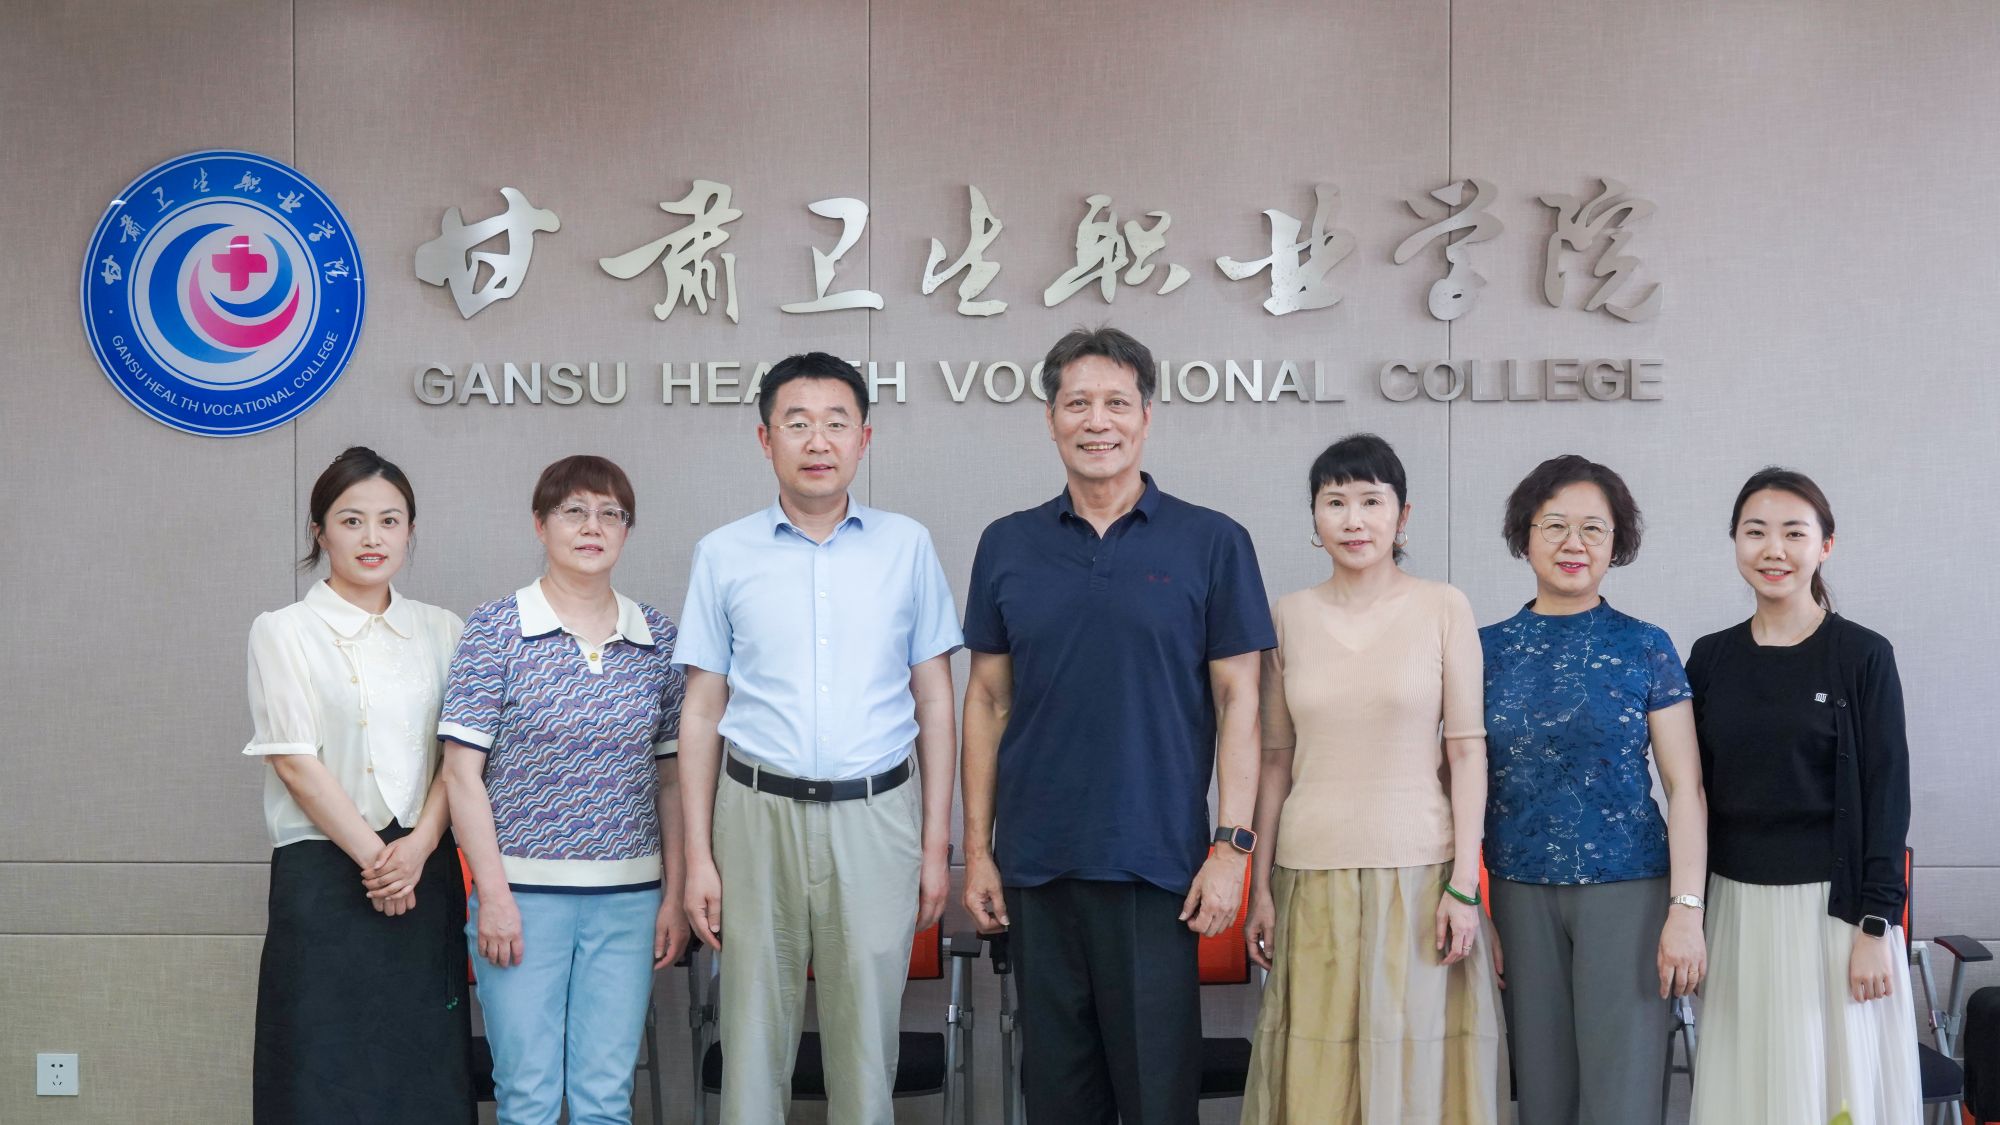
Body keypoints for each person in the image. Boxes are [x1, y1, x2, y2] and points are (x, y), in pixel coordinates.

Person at [961, 326, 1273, 1125]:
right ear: (1050, 418)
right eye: (1077, 403)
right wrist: (980, 849)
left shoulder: (1212, 541)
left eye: (1116, 403)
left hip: (1157, 865)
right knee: (1057, 1100)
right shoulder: (1007, 543)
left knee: (1156, 1096)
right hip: (1036, 865)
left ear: (1146, 416)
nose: (1096, 421)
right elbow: (987, 700)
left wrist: (1231, 849)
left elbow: (1241, 700)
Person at [676, 352, 961, 1125]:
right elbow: (701, 710)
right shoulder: (723, 552)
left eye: (836, 423)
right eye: (796, 423)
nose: (817, 440)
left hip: (877, 814)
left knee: (866, 1044)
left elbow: (936, 698)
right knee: (750, 1036)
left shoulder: (906, 545)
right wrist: (699, 855)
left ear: (864, 438)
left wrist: (936, 843)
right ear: (764, 439)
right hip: (754, 813)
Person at [1241, 432, 1503, 1125]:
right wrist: (1259, 888)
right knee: (1319, 1080)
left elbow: (1467, 754)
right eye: (1335, 502)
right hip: (1310, 873)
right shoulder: (1287, 616)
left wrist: (1465, 884)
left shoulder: (1444, 607)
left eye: (1370, 501)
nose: (1353, 520)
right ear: (1314, 516)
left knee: (1414, 1079)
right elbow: (1274, 760)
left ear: (1402, 515)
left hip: (1420, 879)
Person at [439, 455, 687, 1125]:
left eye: (610, 513)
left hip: (630, 901)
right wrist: (493, 896)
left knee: (607, 1099)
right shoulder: (495, 629)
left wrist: (673, 895)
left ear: (628, 530)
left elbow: (671, 781)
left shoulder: (658, 639)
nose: (592, 526)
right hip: (520, 899)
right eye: (574, 511)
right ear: (540, 523)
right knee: (528, 1099)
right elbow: (461, 774)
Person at [246, 445, 474, 1124]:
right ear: (320, 531)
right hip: (325, 872)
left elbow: (459, 757)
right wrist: (380, 861)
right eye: (352, 520)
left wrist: (419, 847)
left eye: (389, 520)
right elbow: (294, 760)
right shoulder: (284, 631)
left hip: (424, 871)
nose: (372, 537)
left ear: (410, 530)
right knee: (321, 1063)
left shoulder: (443, 629)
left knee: (422, 1061)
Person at [1687, 467, 1920, 1125]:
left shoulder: (1862, 655)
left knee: (1832, 1088)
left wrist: (1877, 925)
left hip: (1835, 917)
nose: (1774, 550)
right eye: (1755, 532)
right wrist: (1691, 914)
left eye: (1794, 533)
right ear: (1735, 541)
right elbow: (1692, 795)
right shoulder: (1709, 658)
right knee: (1749, 1088)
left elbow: (1888, 795)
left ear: (1826, 546)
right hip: (1735, 911)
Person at [1479, 454, 1707, 1125]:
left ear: (1616, 542)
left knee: (1622, 1093)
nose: (1572, 543)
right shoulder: (1483, 649)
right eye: (1554, 525)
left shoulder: (1646, 645)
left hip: (1628, 888)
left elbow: (1686, 787)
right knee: (1541, 1091)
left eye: (1592, 528)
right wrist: (1471, 903)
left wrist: (1686, 909)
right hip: (1517, 890)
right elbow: (1453, 781)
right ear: (1525, 536)